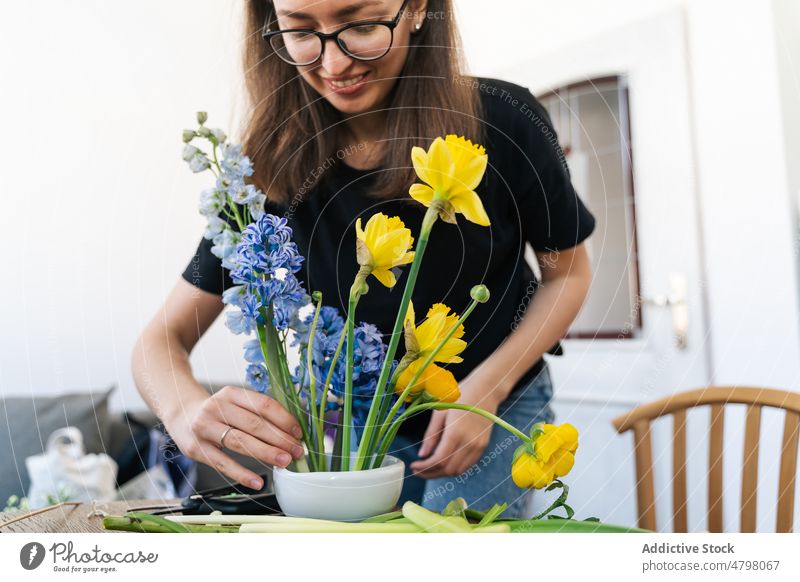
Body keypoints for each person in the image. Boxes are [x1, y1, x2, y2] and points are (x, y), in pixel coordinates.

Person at [133, 0, 595, 518]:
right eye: (302, 31)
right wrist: (183, 407)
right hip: (358, 437)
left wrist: (489, 387)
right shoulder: (269, 165)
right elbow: (158, 342)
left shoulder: (506, 121)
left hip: (497, 402)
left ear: (418, 8)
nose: (334, 66)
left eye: (362, 25)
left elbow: (569, 276)